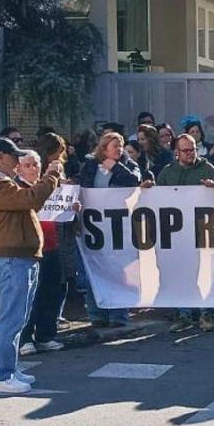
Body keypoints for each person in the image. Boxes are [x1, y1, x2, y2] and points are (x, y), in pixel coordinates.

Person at [0, 137, 62, 395]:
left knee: (18, 318)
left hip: (20, 257)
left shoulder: (0, 182)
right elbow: (31, 199)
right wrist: (52, 176)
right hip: (12, 258)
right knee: (11, 319)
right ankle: (1, 376)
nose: (17, 162)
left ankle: (9, 370)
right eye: (13, 157)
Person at [77, 130, 151, 327]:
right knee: (95, 269)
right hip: (96, 226)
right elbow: (82, 185)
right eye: (115, 146)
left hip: (119, 225)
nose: (119, 149)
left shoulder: (128, 164)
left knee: (118, 270)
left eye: (121, 146)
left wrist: (116, 168)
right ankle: (97, 315)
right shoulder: (91, 166)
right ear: (103, 149)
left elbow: (133, 181)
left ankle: (118, 315)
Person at [157, 132, 214, 333]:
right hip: (177, 233)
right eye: (186, 150)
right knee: (180, 273)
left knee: (203, 272)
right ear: (177, 152)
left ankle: (205, 313)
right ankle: (183, 314)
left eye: (193, 149)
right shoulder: (167, 173)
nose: (190, 154)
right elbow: (156, 200)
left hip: (202, 230)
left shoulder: (207, 168)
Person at [15, 147, 67, 356]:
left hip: (51, 245)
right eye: (27, 165)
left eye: (35, 164)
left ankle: (46, 335)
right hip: (29, 249)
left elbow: (58, 209)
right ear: (18, 169)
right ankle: (25, 337)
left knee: (52, 292)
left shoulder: (47, 187)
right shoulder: (17, 190)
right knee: (30, 296)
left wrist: (70, 207)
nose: (33, 169)